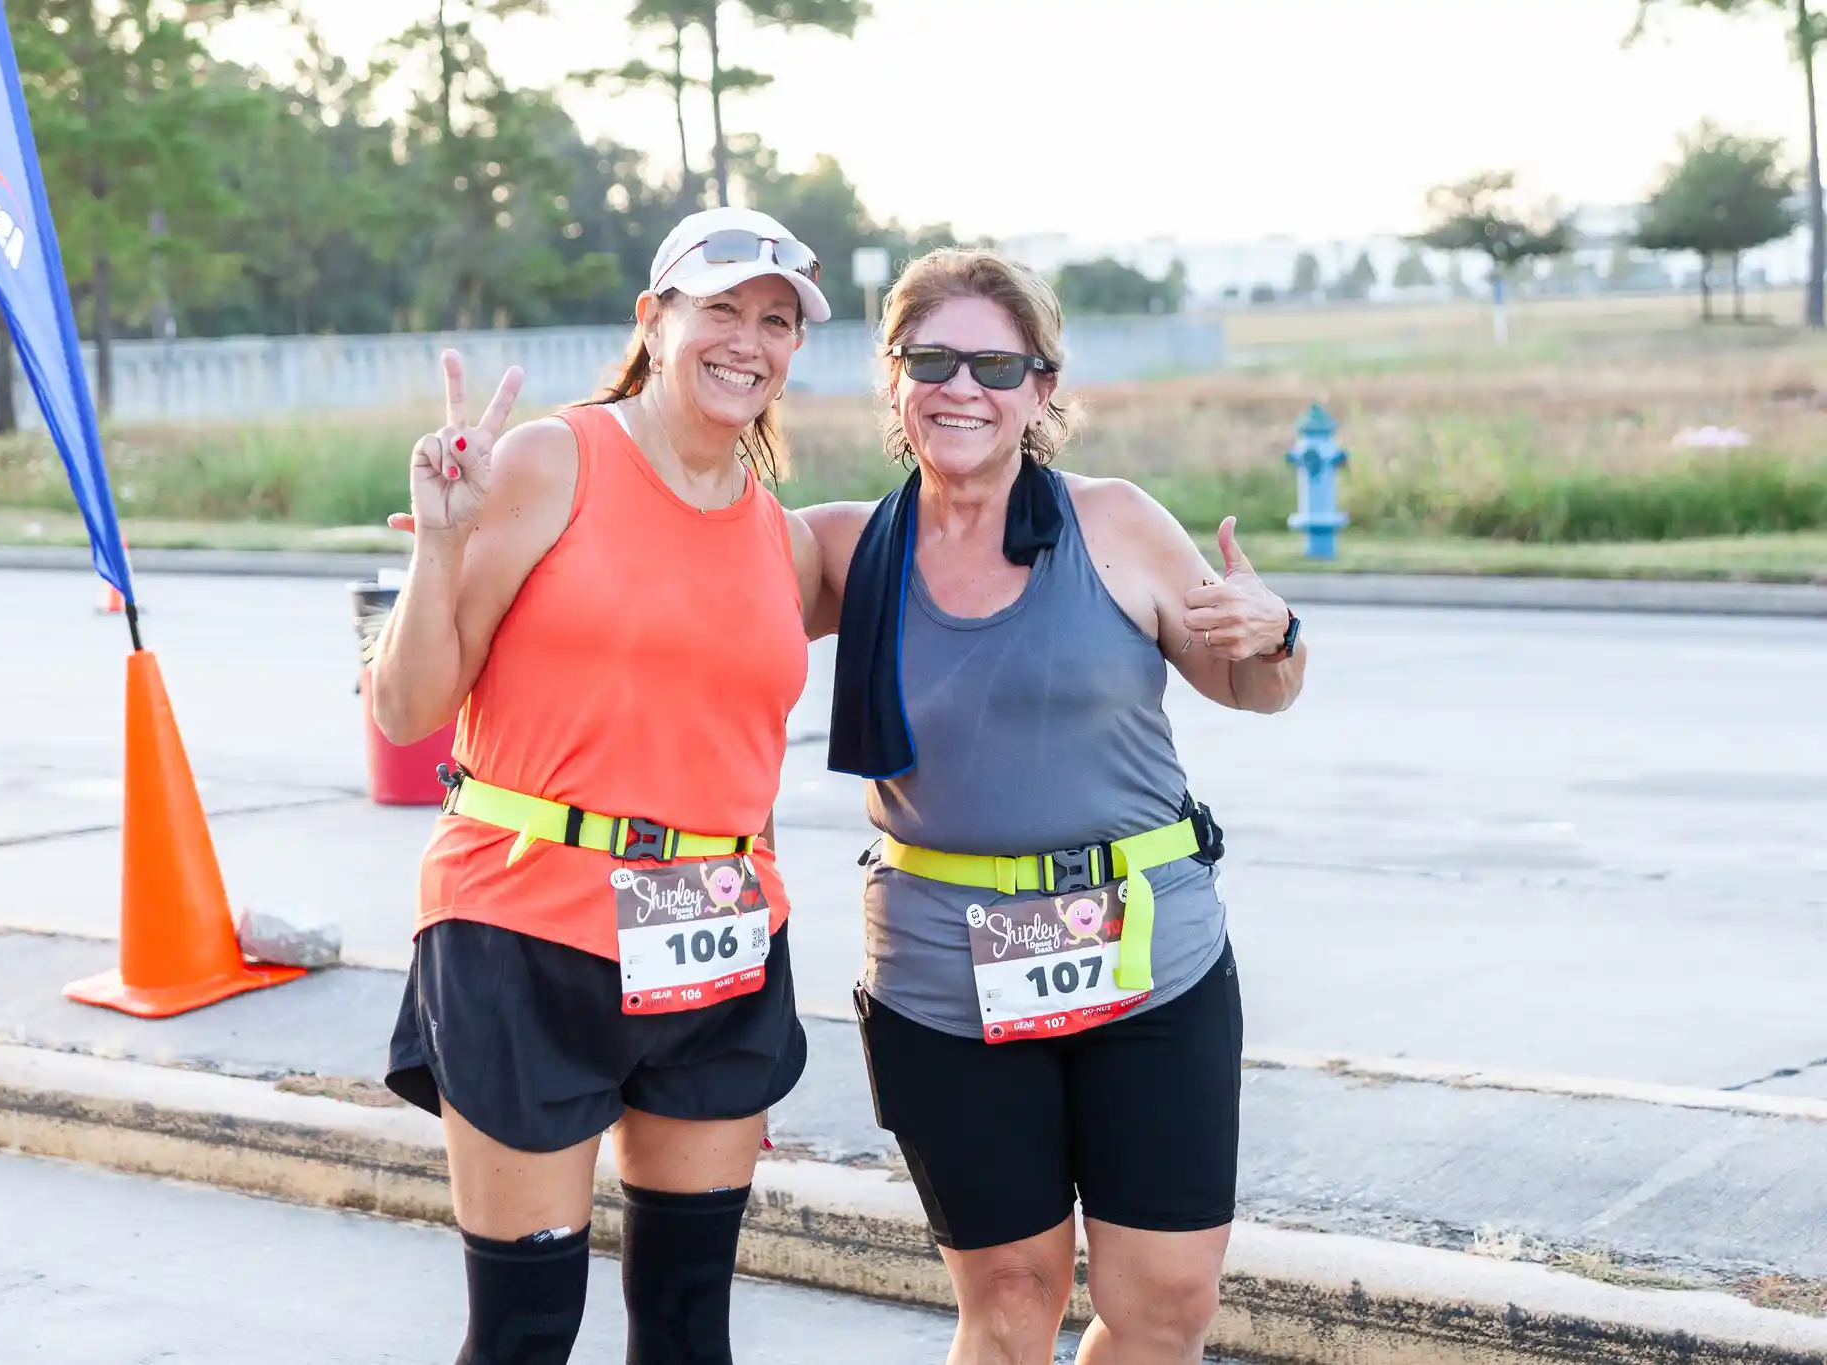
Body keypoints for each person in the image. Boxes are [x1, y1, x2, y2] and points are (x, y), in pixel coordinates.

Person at [799, 248, 1308, 1365]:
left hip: (1148, 961)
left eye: (994, 363)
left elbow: (1252, 688)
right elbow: (675, 587)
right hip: (944, 980)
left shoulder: (1115, 523)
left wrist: (1274, 634)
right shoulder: (837, 547)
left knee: (1163, 1299)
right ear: (892, 381)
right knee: (1012, 1299)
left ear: (1040, 388)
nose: (961, 387)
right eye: (930, 359)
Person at [371, 205, 832, 1365]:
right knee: (527, 1327)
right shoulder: (552, 459)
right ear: (653, 317)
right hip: (526, 926)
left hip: (716, 939)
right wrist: (438, 543)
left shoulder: (779, 538)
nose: (748, 340)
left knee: (687, 1327)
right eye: (720, 307)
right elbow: (404, 710)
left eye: (776, 320)